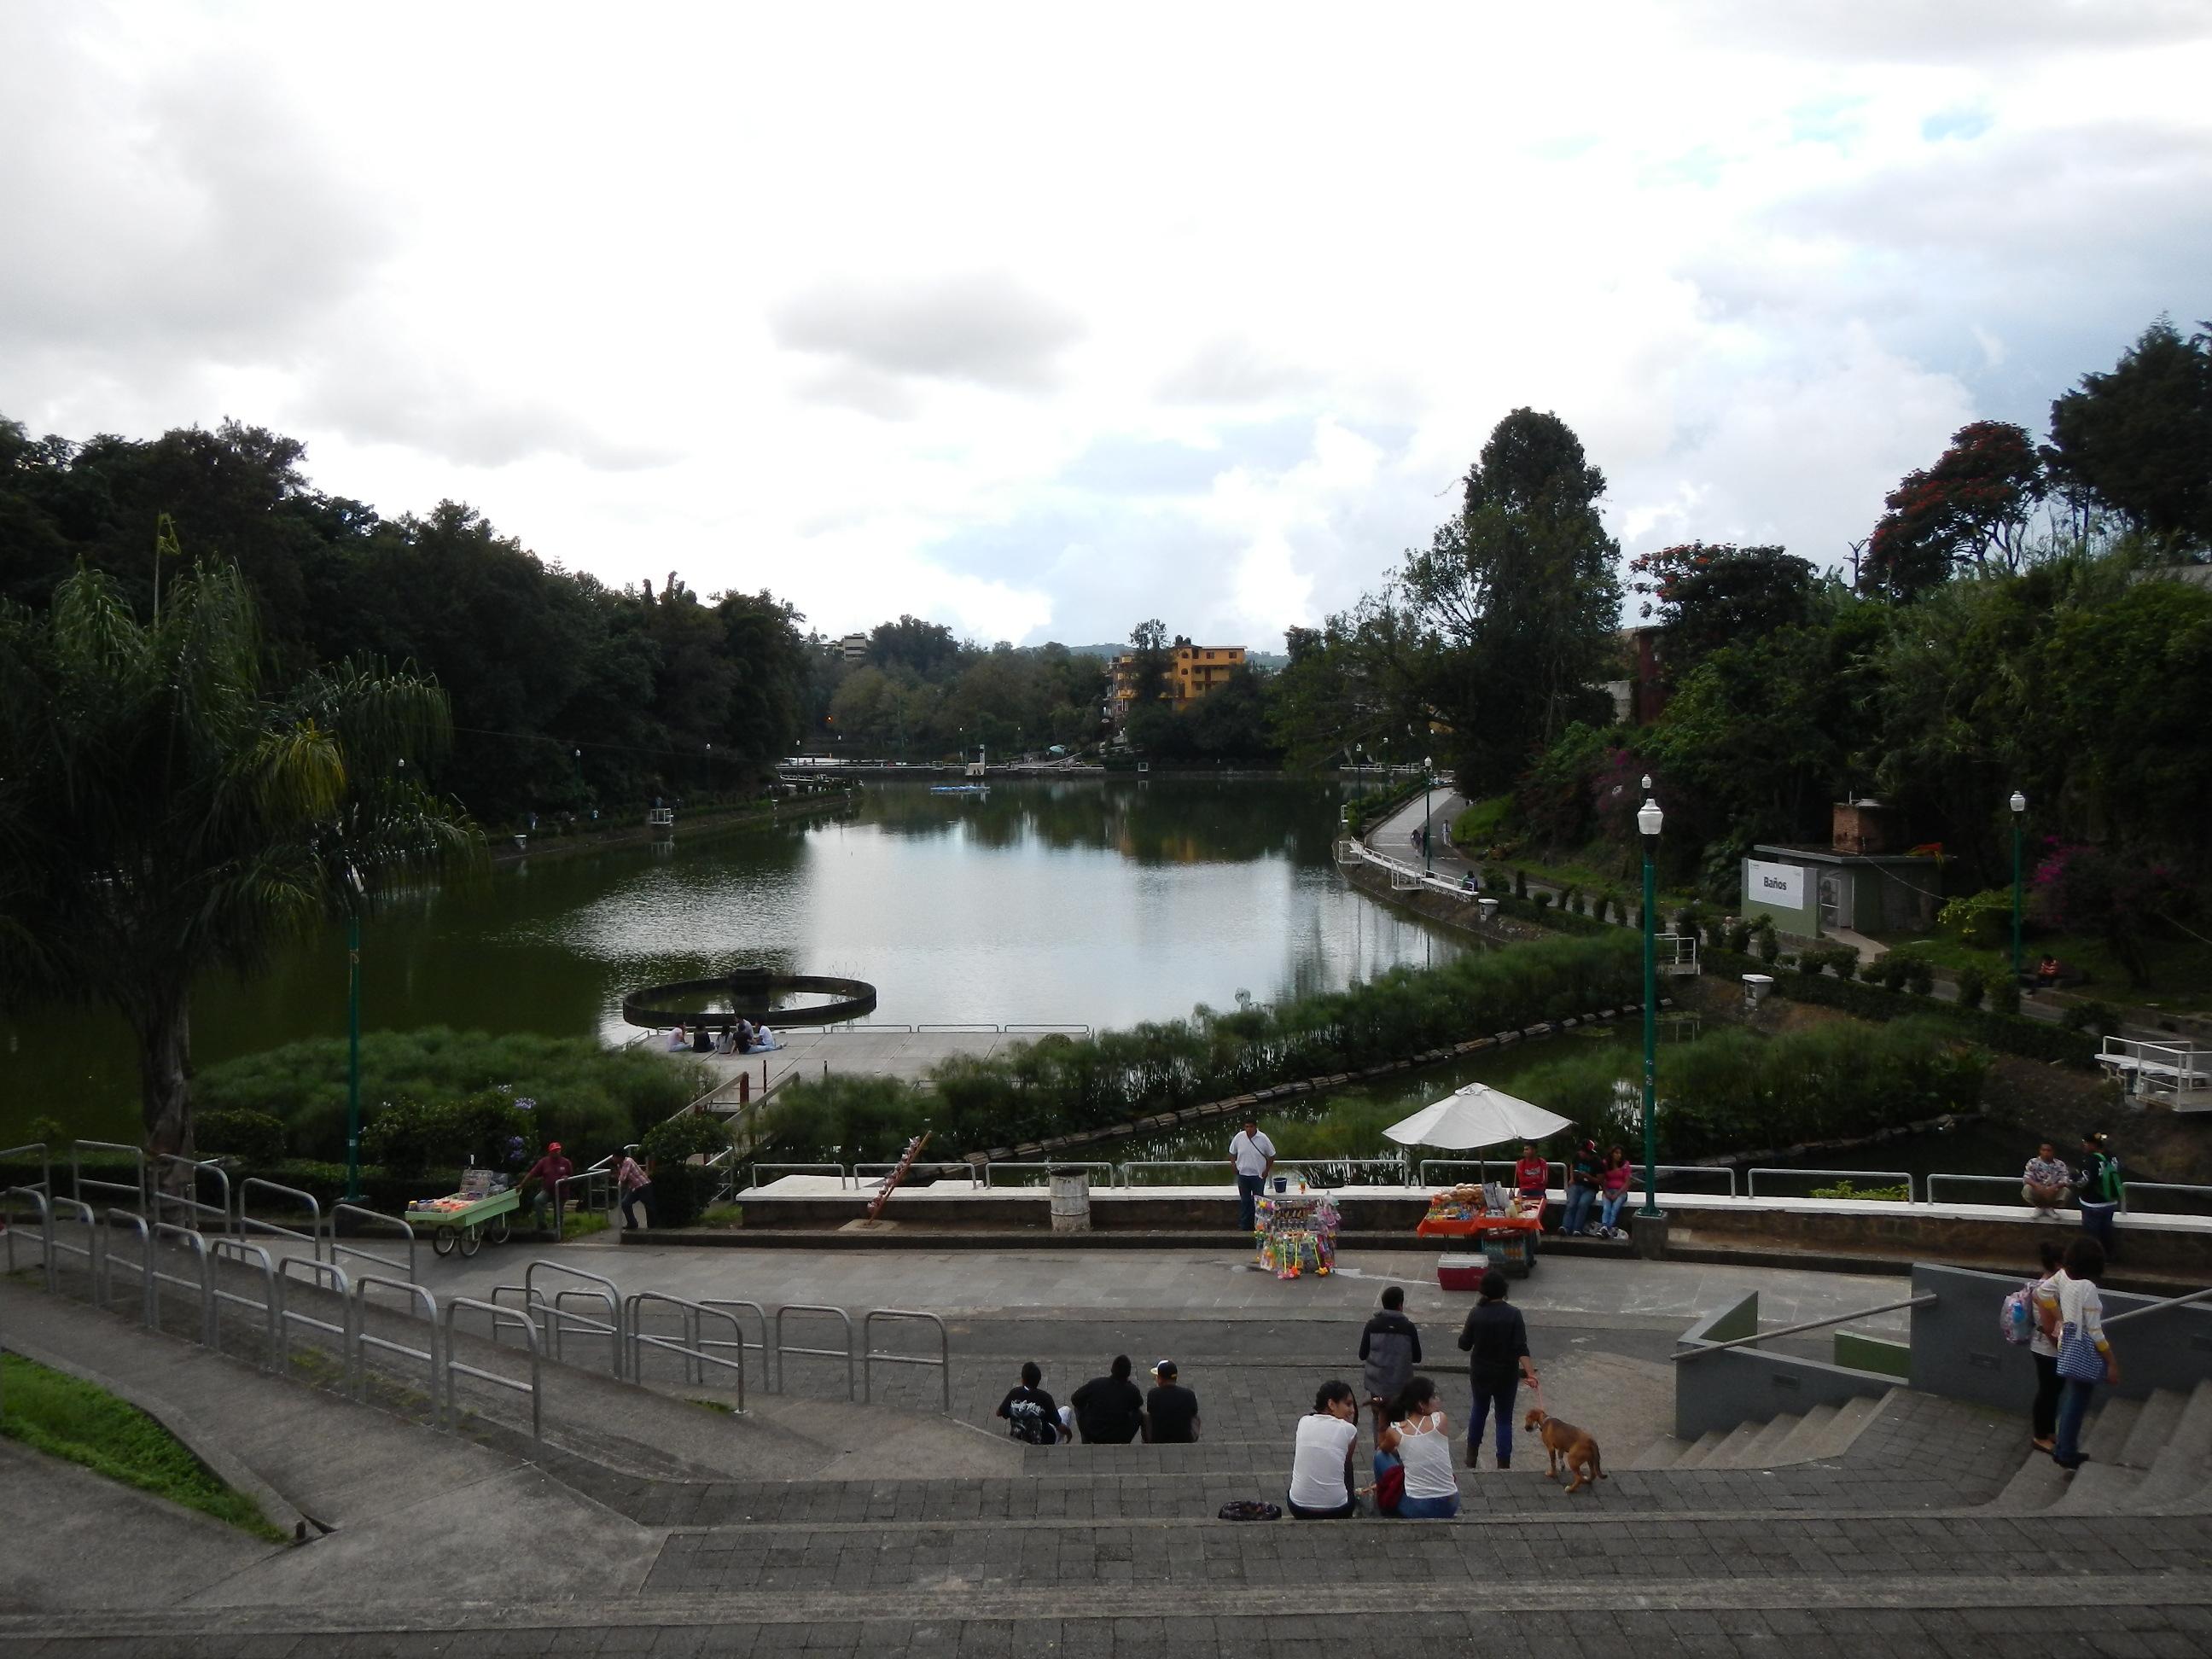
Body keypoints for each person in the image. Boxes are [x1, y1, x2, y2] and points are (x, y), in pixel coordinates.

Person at [2051, 1237, 2119, 1471]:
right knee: (2078, 1400)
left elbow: (2041, 1294)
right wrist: (2111, 1363)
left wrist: (2060, 1318)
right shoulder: (2088, 1288)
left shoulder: (2062, 1277)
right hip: (2084, 1347)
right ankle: (2066, 1452)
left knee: (2073, 1397)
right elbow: (2096, 1333)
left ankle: (2062, 1449)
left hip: (2067, 1341)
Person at [1457, 1268, 1537, 1469]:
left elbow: (1464, 1344)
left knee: (1479, 1410)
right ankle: (1503, 1463)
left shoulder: (1476, 1313)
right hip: (1506, 1375)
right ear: (1504, 1291)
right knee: (1504, 1418)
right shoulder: (1514, 1315)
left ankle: (1471, 1457)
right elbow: (1521, 1347)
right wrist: (1530, 1374)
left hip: (1481, 1373)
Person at [1384, 1377, 1461, 1519]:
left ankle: (1384, 1505)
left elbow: (1383, 1449)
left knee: (1380, 1457)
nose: (1437, 1400)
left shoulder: (1395, 1431)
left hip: (1419, 1507)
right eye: (1433, 1397)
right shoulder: (1441, 1419)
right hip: (1451, 1503)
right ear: (1421, 1404)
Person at [1286, 1380, 1362, 1518]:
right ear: (1331, 1404)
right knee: (1347, 1464)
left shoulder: (1303, 1421)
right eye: (1348, 1404)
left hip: (1298, 1508)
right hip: (1337, 1509)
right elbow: (1345, 1464)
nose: (1352, 1410)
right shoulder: (1349, 1430)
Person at [1359, 1286, 1423, 1445]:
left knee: (1378, 1418)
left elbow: (1362, 1354)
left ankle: (1379, 1450)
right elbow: (1417, 1357)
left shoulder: (1372, 1326)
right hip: (1400, 1388)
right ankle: (1397, 1451)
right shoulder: (1408, 1328)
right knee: (1399, 1419)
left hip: (1376, 1386)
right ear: (1400, 1305)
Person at [2026, 1239, 2065, 1454]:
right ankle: (2041, 1436)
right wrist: (2063, 1348)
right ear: (2058, 1265)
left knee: (2053, 1391)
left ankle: (2048, 1431)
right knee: (2048, 1392)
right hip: (2047, 1350)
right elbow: (2050, 1328)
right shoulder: (2046, 1290)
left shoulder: (2050, 1286)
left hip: (2046, 1347)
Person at [1069, 1355, 1145, 1444]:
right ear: (1128, 1374)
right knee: (1138, 1413)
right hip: (1120, 1436)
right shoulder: (1132, 1390)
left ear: (1112, 1369)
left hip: (1093, 1433)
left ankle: (1086, 1438)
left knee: (1078, 1408)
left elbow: (1075, 1399)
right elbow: (1138, 1404)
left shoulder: (1097, 1384)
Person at [2075, 1131, 2124, 1254]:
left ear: (2093, 1145)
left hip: (2092, 1204)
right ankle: (2109, 1257)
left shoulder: (2090, 1161)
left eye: (2085, 1143)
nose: (2084, 1146)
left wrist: (2073, 1177)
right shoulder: (2113, 1157)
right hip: (2110, 1202)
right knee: (2106, 1232)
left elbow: (2083, 1182)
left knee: (2091, 1237)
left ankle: (2092, 1260)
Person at [994, 1361, 1062, 1445]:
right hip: (1045, 1440)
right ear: (1039, 1380)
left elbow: (998, 1413)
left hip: (1017, 1440)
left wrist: (1016, 1410)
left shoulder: (1014, 1393)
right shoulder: (1046, 1397)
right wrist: (1069, 1434)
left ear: (1023, 1379)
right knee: (1066, 1410)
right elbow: (1059, 1425)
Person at [1231, 1118, 1276, 1232]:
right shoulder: (1239, 1137)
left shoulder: (1263, 1138)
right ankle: (1245, 1226)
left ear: (1255, 1127)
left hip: (1258, 1176)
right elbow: (1232, 1152)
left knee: (1259, 1202)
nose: (1248, 1129)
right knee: (1245, 1201)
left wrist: (1266, 1170)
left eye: (1251, 1127)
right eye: (1246, 1127)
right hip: (1243, 1175)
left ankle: (1260, 1226)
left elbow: (1272, 1155)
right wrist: (1233, 1165)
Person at [1143, 1360, 1201, 1444]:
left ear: (1160, 1379)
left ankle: (1148, 1442)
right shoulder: (1189, 1394)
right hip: (1185, 1438)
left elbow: (1151, 1413)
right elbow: (1194, 1413)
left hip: (1158, 1439)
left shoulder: (1153, 1394)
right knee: (1195, 1416)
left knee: (1146, 1415)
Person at [521, 1142, 573, 1232]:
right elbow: (532, 1173)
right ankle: (542, 1224)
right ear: (550, 1152)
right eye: (554, 1151)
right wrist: (521, 1184)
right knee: (538, 1200)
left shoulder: (566, 1162)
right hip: (548, 1190)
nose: (556, 1152)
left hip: (561, 1192)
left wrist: (566, 1177)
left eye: (558, 1150)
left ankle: (558, 1230)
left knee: (559, 1212)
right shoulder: (544, 1162)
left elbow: (571, 1176)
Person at [1562, 1139, 1601, 1237]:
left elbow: (1600, 1181)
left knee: (1582, 1204)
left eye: (1583, 1151)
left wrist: (1588, 1176)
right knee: (1571, 1204)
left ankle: (1577, 1229)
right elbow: (1572, 1165)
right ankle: (1565, 1227)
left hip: (1590, 1188)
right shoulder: (1577, 1156)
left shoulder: (1597, 1161)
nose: (1580, 1153)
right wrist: (1571, 1178)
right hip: (1577, 1185)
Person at [2022, 1143, 2072, 1218]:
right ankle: (2039, 1207)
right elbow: (2027, 1177)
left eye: (2049, 1151)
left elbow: (2065, 1179)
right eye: (2043, 1150)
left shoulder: (2060, 1164)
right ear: (2040, 1151)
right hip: (2038, 1189)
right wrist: (2037, 1186)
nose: (2046, 1153)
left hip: (2053, 1190)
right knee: (2027, 1189)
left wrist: (2054, 1186)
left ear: (2053, 1152)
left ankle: (2050, 1208)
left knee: (2066, 1191)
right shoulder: (2033, 1162)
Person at [612, 1145, 653, 1230]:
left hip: (643, 1185)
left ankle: (652, 1226)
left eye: (614, 1156)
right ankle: (632, 1223)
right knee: (625, 1203)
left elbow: (623, 1176)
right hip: (634, 1187)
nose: (613, 1158)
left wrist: (619, 1182)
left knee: (649, 1206)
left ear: (620, 1157)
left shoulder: (628, 1161)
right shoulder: (620, 1165)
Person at [1598, 1145, 1633, 1237]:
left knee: (1615, 1209)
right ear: (1612, 1154)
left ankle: (1606, 1228)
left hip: (1621, 1192)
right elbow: (1601, 1179)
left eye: (1620, 1153)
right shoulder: (1605, 1164)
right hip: (1608, 1190)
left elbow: (1627, 1183)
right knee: (1606, 1208)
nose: (1618, 1155)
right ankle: (1605, 1227)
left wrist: (1617, 1194)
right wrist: (1606, 1192)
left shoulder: (1625, 1165)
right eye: (1616, 1153)